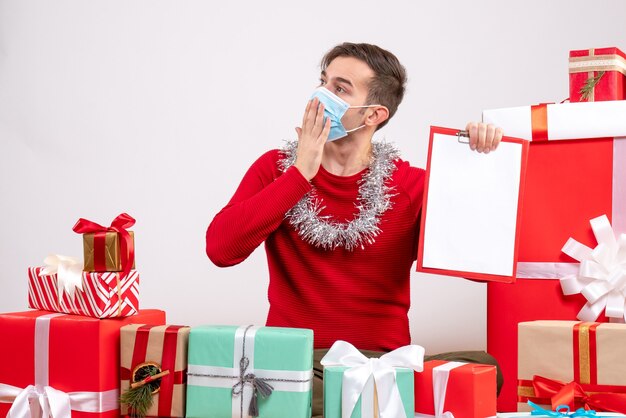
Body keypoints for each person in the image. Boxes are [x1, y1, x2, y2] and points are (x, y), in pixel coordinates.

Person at [206, 42, 503, 417]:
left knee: (484, 368)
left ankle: (353, 399)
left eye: (340, 88)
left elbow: (482, 266)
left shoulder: (410, 185)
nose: (320, 96)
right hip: (298, 364)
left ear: (373, 114)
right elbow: (220, 249)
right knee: (297, 391)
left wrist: (476, 166)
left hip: (382, 364)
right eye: (322, 82)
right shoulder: (276, 169)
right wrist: (300, 173)